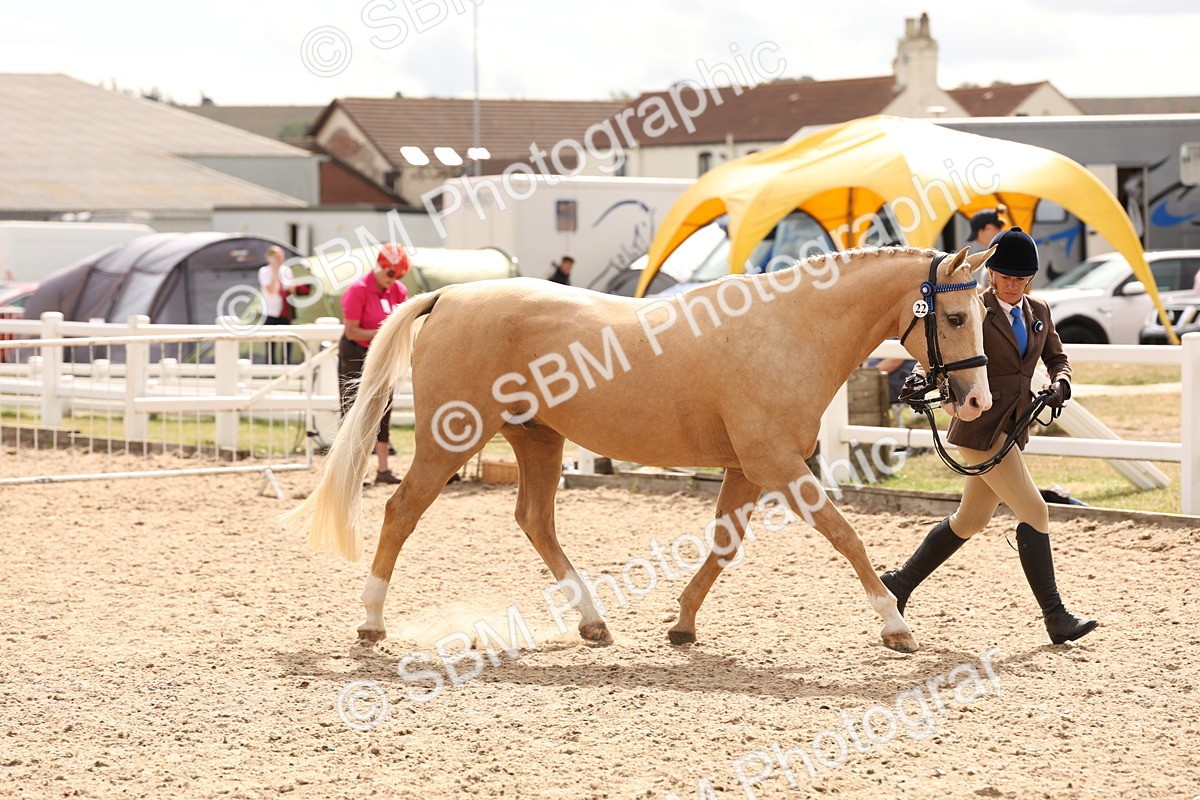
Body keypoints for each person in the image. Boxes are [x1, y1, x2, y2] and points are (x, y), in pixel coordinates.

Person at [881, 227, 1098, 645]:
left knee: (971, 520)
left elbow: (1058, 357)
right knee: (1036, 513)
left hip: (1014, 428)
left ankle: (899, 583)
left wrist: (1062, 382)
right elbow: (947, 350)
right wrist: (919, 376)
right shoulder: (974, 307)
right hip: (978, 429)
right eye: (1005, 276)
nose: (1013, 285)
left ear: (1030, 279)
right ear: (992, 274)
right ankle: (1056, 617)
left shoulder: (1039, 311)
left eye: (1020, 278)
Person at [339, 243, 410, 486]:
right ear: (381, 267)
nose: (395, 279)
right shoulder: (358, 290)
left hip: (381, 355)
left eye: (399, 274)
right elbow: (352, 331)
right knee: (355, 411)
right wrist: (385, 333)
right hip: (356, 353)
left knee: (384, 409)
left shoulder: (399, 291)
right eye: (391, 273)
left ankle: (383, 468)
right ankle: (356, 471)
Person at [259, 246, 292, 363]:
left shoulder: (287, 271)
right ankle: (270, 365)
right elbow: (271, 289)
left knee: (287, 341)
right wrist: (275, 272)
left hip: (284, 312)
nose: (280, 259)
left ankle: (286, 364)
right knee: (269, 342)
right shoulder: (264, 271)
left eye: (281, 256)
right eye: (277, 257)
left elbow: (288, 290)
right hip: (269, 312)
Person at [966, 208, 1006, 288]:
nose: (977, 241)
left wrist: (971, 287)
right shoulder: (1001, 251)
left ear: (988, 228)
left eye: (976, 235)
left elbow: (1001, 295)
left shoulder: (1006, 253)